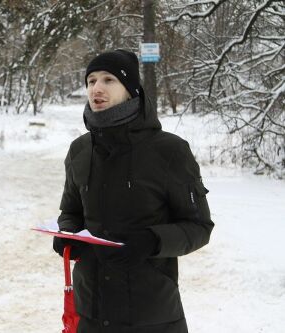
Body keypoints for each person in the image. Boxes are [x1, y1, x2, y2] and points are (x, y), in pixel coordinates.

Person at [53, 49, 214, 333]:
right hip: (90, 308)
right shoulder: (80, 150)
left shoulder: (169, 151)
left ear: (129, 90)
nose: (96, 89)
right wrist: (67, 237)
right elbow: (71, 211)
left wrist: (153, 241)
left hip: (150, 312)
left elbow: (199, 226)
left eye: (108, 80)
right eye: (90, 81)